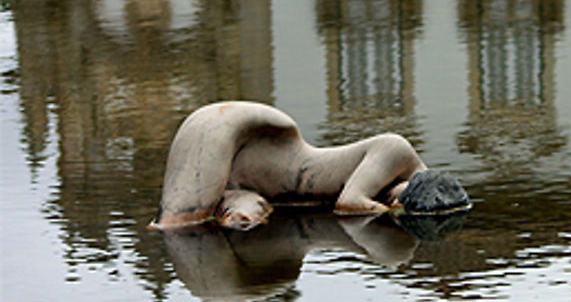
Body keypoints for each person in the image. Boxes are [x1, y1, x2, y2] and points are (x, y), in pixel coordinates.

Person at [151, 101, 432, 230]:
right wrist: (387, 211)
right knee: (178, 224)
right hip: (225, 130)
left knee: (246, 216)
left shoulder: (397, 176)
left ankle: (232, 196)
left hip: (260, 176)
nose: (395, 201)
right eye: (400, 202)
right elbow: (351, 203)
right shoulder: (396, 150)